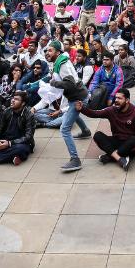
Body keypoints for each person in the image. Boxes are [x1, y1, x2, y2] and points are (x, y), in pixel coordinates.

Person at [43, 40, 90, 173]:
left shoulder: (62, 64)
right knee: (71, 113)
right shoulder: (59, 61)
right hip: (75, 97)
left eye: (50, 50)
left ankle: (75, 160)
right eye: (47, 50)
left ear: (58, 52)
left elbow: (69, 85)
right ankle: (85, 131)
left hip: (78, 98)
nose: (48, 53)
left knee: (64, 128)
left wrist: (53, 84)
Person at [79, 87, 135, 170]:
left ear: (127, 100)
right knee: (98, 135)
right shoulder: (112, 110)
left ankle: (110, 156)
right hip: (117, 140)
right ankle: (120, 159)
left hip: (130, 144)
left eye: (119, 98)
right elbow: (95, 114)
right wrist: (82, 109)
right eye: (115, 97)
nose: (116, 100)